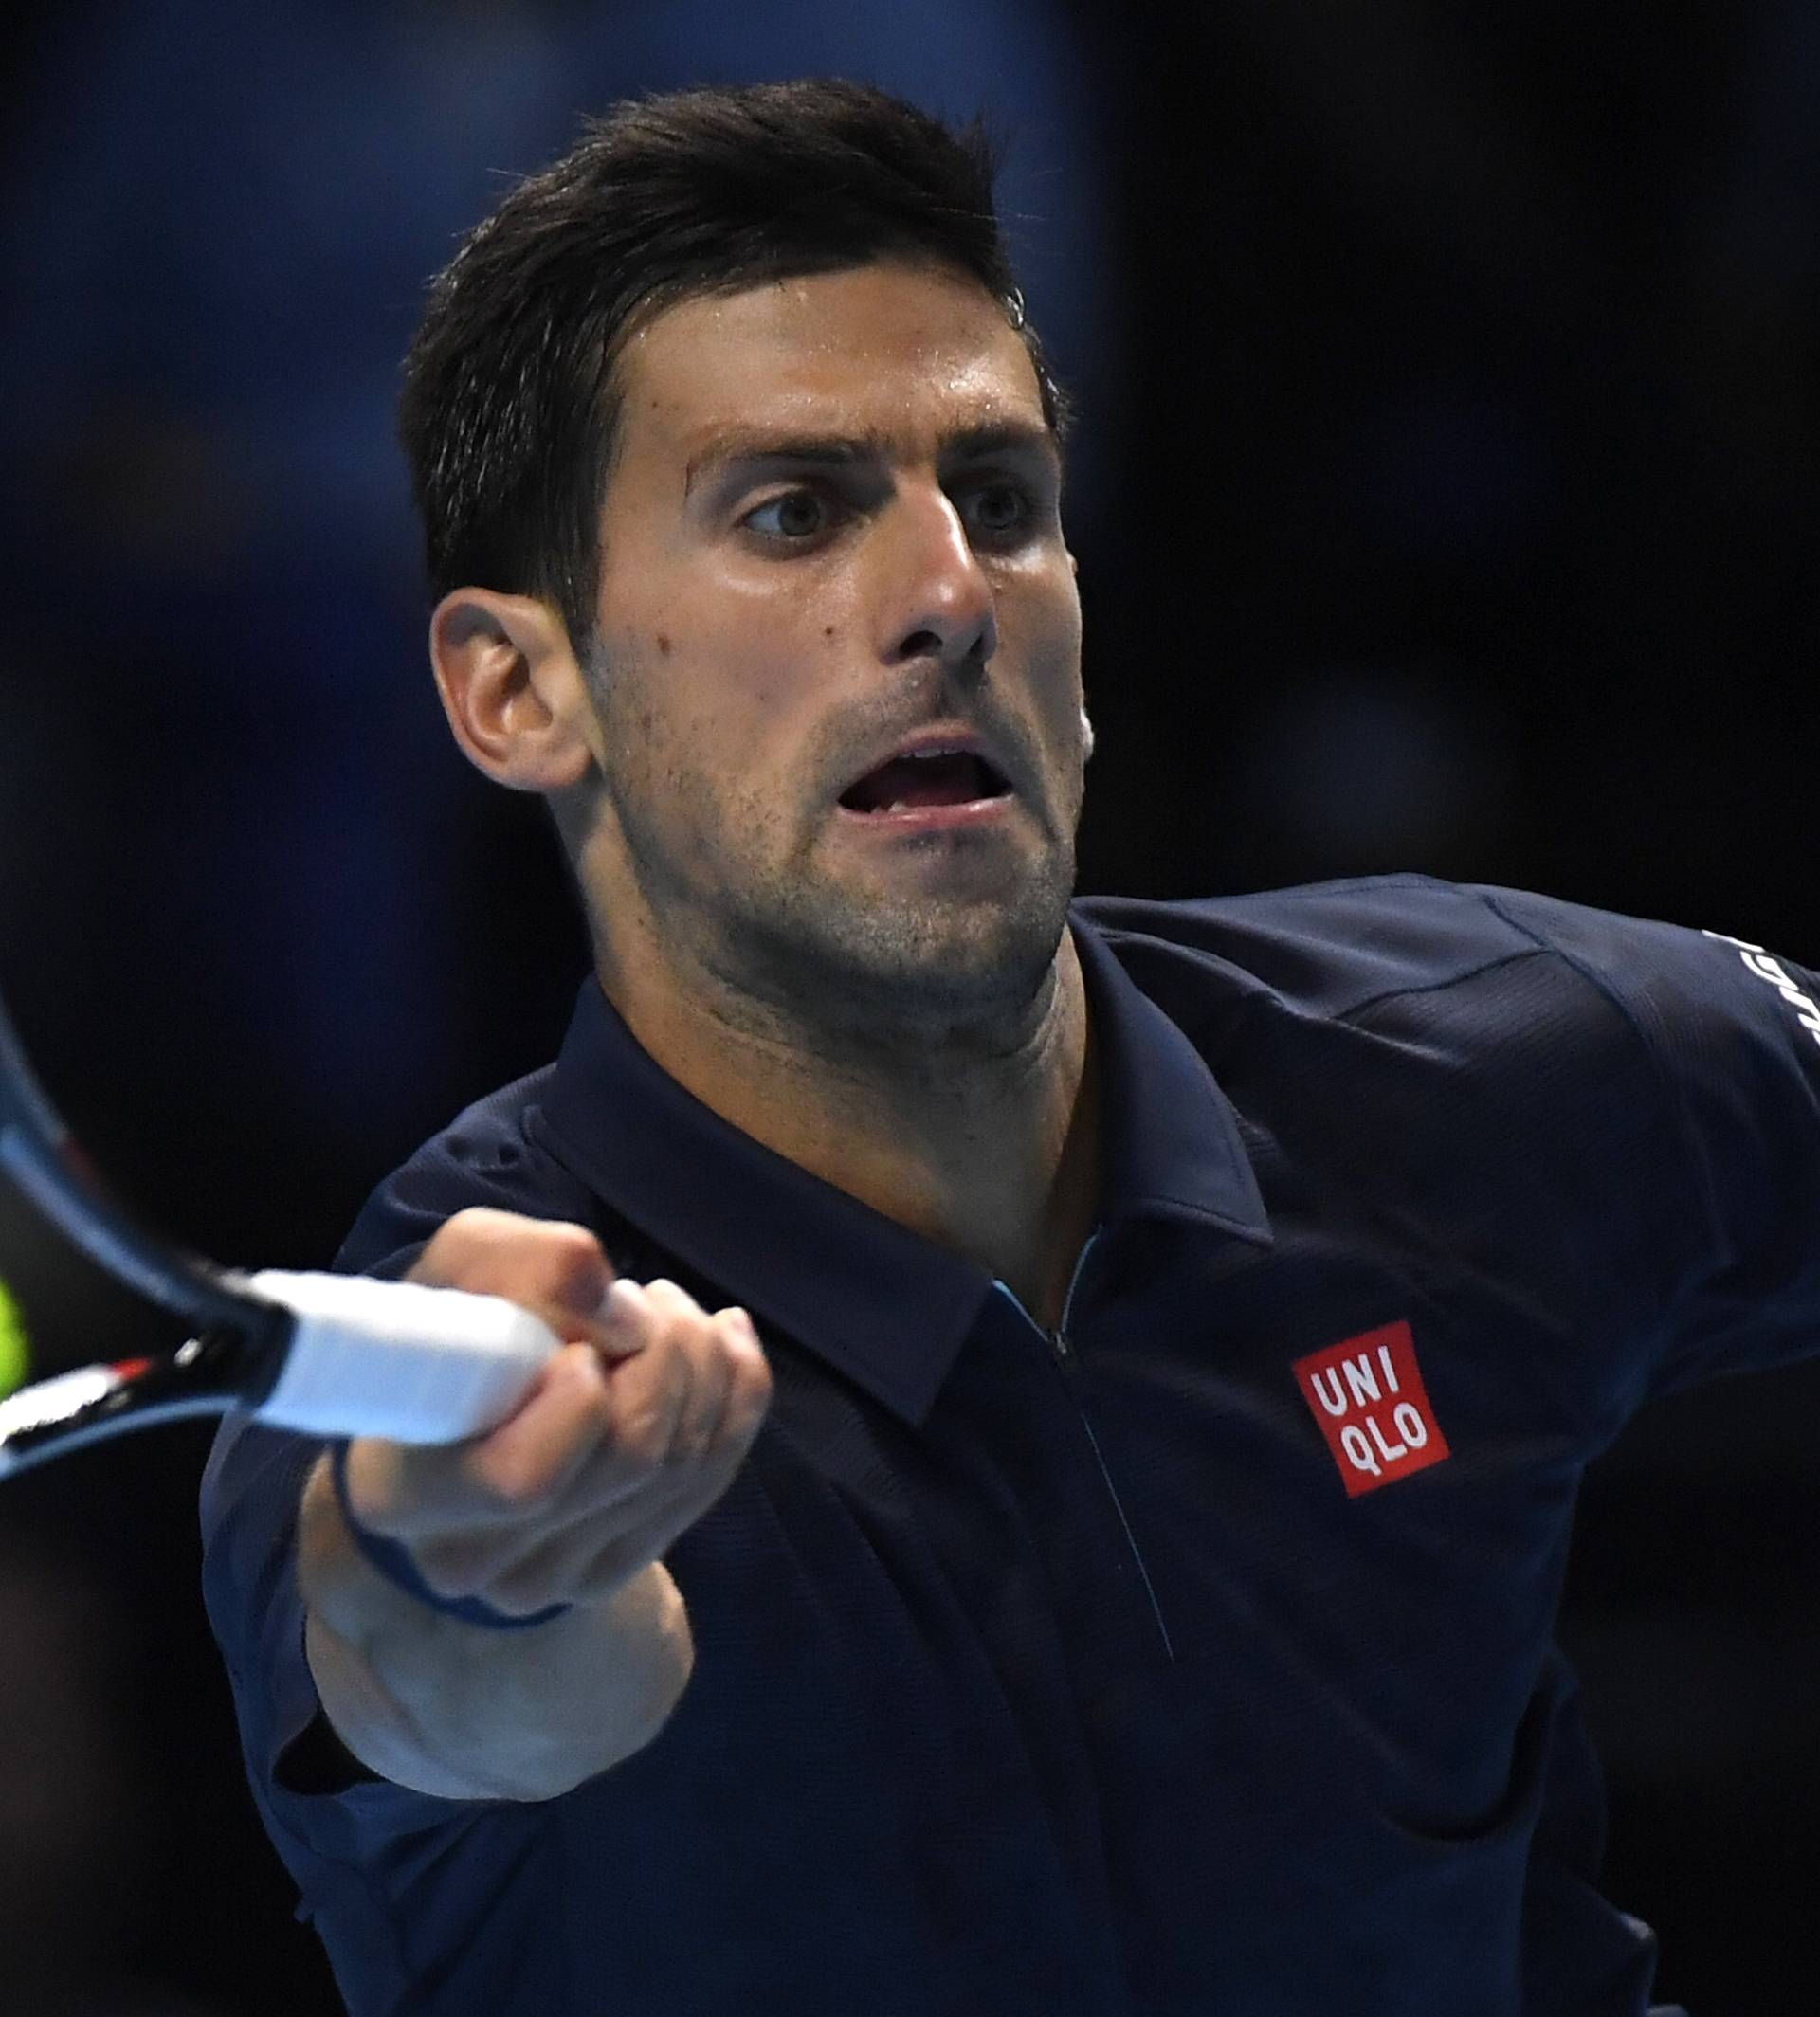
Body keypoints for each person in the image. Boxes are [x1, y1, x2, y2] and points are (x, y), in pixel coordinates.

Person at [200, 78, 1816, 2017]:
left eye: (1002, 500)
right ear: (520, 687)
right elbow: (461, 1681)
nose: (950, 596)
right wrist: (484, 1560)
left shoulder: (1481, 1058)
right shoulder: (440, 1376)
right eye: (791, 514)